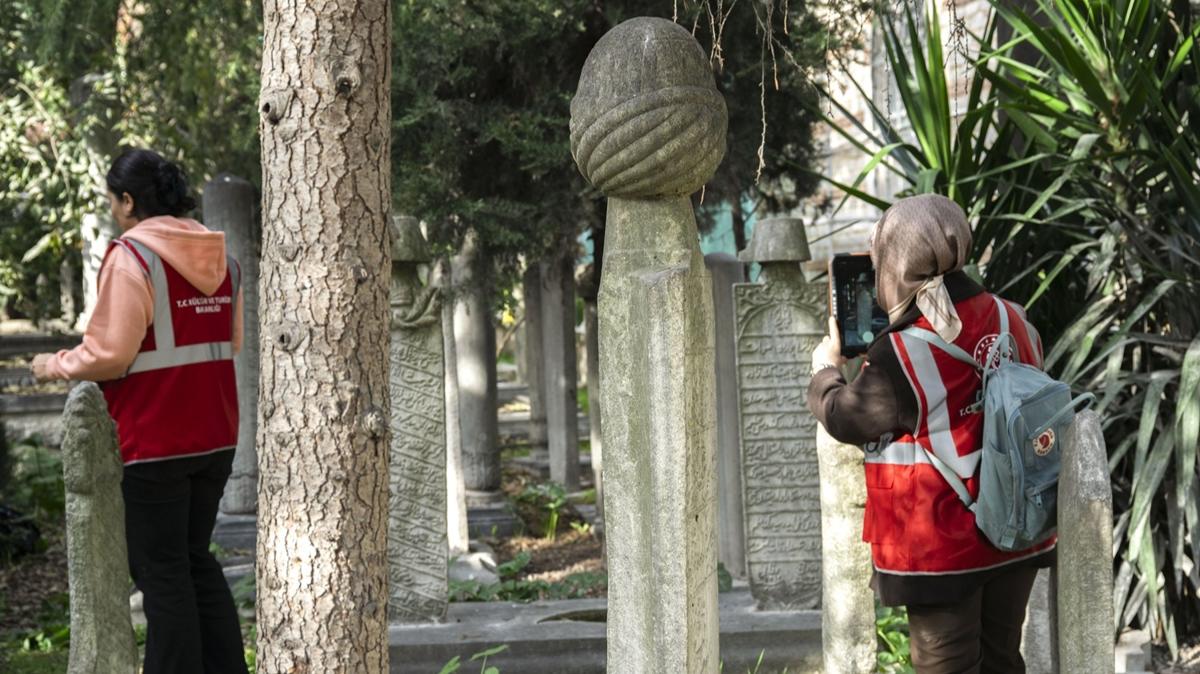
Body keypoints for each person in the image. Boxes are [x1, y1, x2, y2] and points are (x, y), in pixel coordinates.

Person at [808, 194, 1054, 674]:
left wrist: (825, 370)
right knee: (1003, 661)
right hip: (1015, 534)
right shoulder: (1014, 318)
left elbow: (846, 417)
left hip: (944, 550)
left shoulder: (898, 352)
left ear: (896, 262)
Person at [32, 148, 248, 674]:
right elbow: (232, 343)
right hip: (216, 434)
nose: (113, 211)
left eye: (113, 201)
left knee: (163, 572)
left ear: (129, 201)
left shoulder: (133, 258)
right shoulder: (224, 259)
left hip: (156, 438)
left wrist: (52, 364)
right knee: (195, 559)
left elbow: (110, 354)